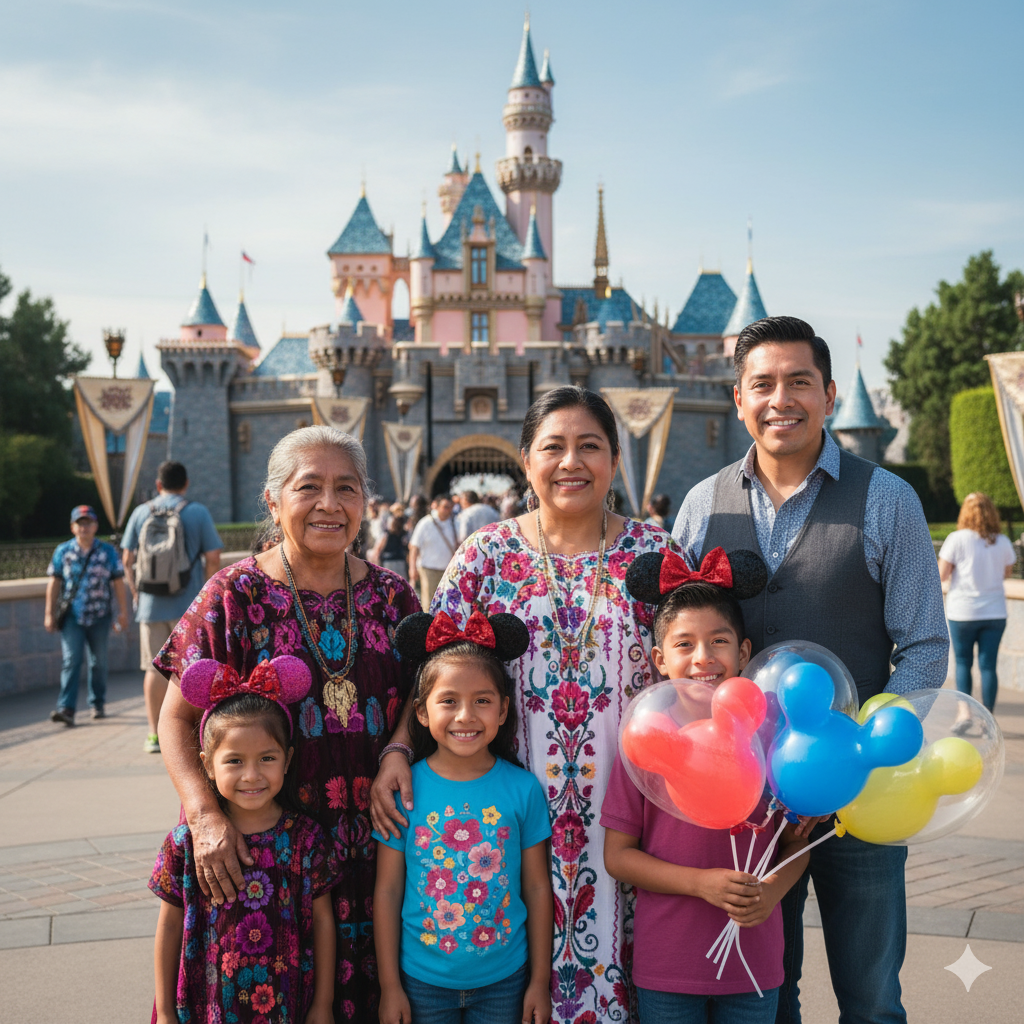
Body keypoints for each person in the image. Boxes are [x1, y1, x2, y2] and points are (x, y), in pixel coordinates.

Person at [671, 316, 949, 1024]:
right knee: (766, 996)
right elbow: (679, 642)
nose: (780, 398)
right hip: (745, 800)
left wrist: (856, 757)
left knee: (872, 997)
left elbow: (923, 644)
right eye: (761, 384)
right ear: (738, 400)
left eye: (799, 381)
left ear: (828, 394)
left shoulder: (888, 499)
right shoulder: (703, 505)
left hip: (861, 798)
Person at [372, 386, 680, 1024]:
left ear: (615, 460)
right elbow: (434, 669)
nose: (572, 462)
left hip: (628, 810)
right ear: (525, 461)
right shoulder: (486, 555)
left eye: (589, 446)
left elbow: (695, 671)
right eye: (554, 447)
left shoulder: (655, 556)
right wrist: (400, 747)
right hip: (506, 809)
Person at [154, 425, 420, 1020]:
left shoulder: (393, 598)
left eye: (347, 489)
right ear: (273, 501)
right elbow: (175, 719)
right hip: (259, 864)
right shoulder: (233, 596)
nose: (331, 504)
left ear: (364, 504)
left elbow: (423, 692)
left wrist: (398, 749)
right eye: (310, 488)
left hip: (371, 853)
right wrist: (203, 817)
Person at [602, 550, 808, 1023]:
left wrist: (772, 892)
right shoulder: (646, 743)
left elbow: (796, 848)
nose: (703, 658)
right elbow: (618, 857)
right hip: (668, 964)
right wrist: (701, 884)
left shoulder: (774, 740)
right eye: (684, 644)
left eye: (718, 641)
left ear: (743, 652)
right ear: (659, 659)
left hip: (754, 964)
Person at [374, 610, 552, 1024]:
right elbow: (386, 891)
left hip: (505, 981)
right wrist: (389, 987)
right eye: (448, 701)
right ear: (421, 712)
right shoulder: (404, 791)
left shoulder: (523, 790)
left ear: (504, 710)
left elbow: (538, 887)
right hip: (420, 982)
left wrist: (539, 981)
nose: (465, 716)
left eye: (482, 701)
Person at [151, 655, 339, 1024]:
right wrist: (166, 1010)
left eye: (266, 758)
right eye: (234, 761)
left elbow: (323, 923)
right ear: (206, 764)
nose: (251, 775)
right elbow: (169, 926)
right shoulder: (186, 845)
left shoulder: (306, 839)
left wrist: (322, 1004)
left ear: (287, 761)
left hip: (286, 1004)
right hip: (208, 1006)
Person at [122, 460, 223, 754]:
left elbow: (127, 558)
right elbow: (214, 557)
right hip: (188, 608)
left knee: (153, 670)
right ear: (186, 483)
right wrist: (205, 597)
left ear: (158, 485)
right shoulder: (196, 512)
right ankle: (192, 734)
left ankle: (154, 735)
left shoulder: (141, 512)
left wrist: (137, 593)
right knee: (191, 670)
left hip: (150, 606)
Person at [45, 505, 129, 725]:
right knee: (71, 660)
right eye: (80, 523)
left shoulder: (108, 551)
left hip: (100, 615)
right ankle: (67, 708)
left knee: (98, 662)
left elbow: (118, 582)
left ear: (95, 526)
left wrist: (122, 612)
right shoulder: (63, 551)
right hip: (72, 616)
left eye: (88, 523)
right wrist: (49, 613)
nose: (85, 527)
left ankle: (97, 702)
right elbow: (54, 582)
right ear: (73, 527)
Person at [938, 491, 1016, 714]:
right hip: (995, 612)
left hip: (963, 612)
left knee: (963, 663)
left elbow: (941, 575)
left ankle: (964, 713)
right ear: (991, 512)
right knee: (988, 666)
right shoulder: (1002, 541)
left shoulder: (957, 538)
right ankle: (988, 716)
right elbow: (1007, 572)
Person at [409, 494, 459, 610]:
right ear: (437, 507)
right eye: (445, 507)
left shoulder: (454, 523)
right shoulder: (426, 523)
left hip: (448, 570)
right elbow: (414, 547)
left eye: (450, 507)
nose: (448, 510)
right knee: (429, 602)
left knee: (447, 602)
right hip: (428, 568)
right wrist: (412, 568)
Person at [371, 511, 410, 580]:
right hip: (396, 562)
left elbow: (377, 551)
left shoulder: (387, 535)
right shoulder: (403, 535)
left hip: (391, 562)